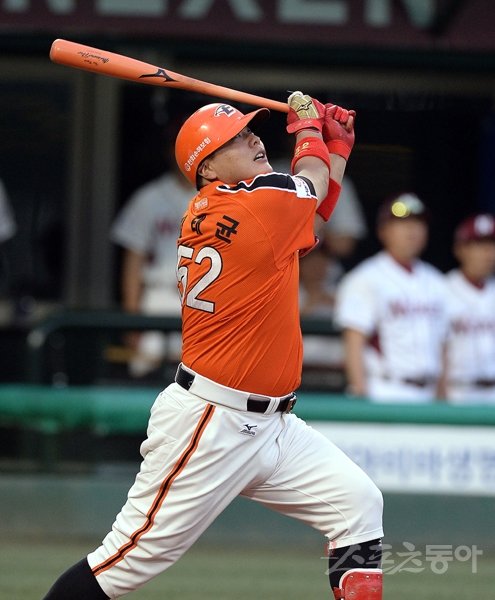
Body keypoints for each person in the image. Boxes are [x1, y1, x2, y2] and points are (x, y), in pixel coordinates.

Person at [43, 94, 384, 600]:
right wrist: (311, 132)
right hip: (212, 420)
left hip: (273, 426)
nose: (253, 138)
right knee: (125, 563)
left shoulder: (243, 207)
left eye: (249, 130)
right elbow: (309, 185)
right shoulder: (255, 203)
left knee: (358, 505)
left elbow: (311, 211)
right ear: (206, 168)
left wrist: (334, 149)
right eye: (236, 138)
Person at [334, 192, 449, 403]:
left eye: (418, 223)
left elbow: (443, 346)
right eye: (402, 223)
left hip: (430, 394)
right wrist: (360, 393)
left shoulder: (437, 281)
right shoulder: (364, 278)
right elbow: (354, 343)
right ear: (383, 231)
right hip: (385, 391)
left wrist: (443, 398)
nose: (412, 230)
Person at [110, 141, 193, 377]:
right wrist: (132, 319)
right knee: (147, 376)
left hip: (205, 300)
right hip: (159, 298)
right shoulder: (149, 197)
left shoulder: (222, 196)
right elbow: (133, 261)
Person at [443, 213, 495, 403]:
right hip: (457, 392)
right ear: (460, 249)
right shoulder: (441, 290)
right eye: (479, 245)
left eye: (492, 245)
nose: (488, 253)